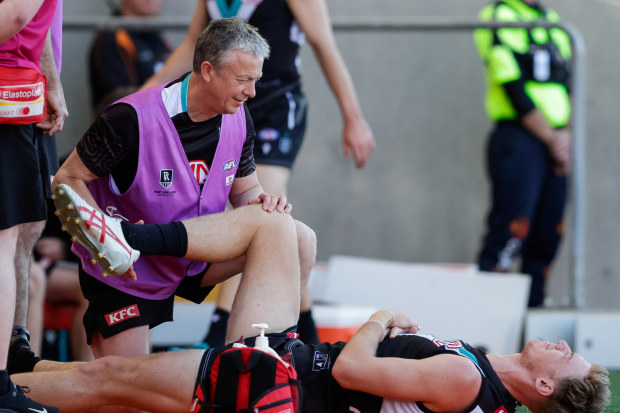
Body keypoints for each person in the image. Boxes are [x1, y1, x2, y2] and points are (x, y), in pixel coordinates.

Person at [51, 17, 316, 375]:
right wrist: (105, 238)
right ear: (207, 70)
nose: (252, 92)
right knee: (121, 390)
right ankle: (26, 379)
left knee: (295, 235)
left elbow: (247, 191)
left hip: (195, 257)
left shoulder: (239, 116)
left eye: (255, 80)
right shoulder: (130, 117)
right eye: (242, 80)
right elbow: (67, 179)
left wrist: (265, 203)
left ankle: (245, 369)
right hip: (130, 269)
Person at [143, 0, 376, 348]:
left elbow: (325, 46)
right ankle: (306, 333)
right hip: (227, 108)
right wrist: (145, 95)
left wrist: (353, 118)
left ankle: (218, 332)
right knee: (277, 232)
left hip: (277, 108)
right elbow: (192, 44)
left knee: (259, 213)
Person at [10, 308, 610, 413]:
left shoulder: (462, 380)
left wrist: (379, 319)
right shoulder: (478, 375)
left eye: (566, 358)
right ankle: (21, 373)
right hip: (289, 374)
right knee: (110, 387)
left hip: (288, 384)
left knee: (109, 378)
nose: (560, 345)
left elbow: (351, 371)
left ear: (543, 385)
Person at [473, 0, 572, 307]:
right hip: (519, 138)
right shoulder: (497, 15)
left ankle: (535, 313)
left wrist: (564, 136)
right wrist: (552, 137)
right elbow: (511, 84)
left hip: (556, 141)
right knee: (512, 230)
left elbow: (566, 85)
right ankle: (486, 318)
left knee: (548, 234)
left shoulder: (553, 21)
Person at [0, 0, 68, 411]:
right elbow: (20, 15)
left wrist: (51, 80)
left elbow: (26, 16)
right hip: (13, 85)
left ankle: (14, 346)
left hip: (22, 86)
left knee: (23, 229)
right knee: (7, 237)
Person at [89, 0, 171, 114]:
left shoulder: (155, 33)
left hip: (161, 120)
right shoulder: (114, 37)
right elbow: (121, 103)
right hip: (137, 124)